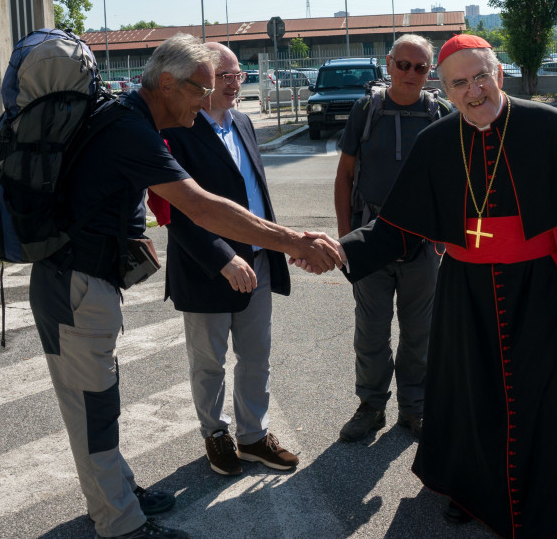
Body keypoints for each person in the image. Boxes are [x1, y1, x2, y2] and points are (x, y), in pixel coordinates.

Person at [30, 34, 341, 539]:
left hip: (88, 283)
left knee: (100, 403)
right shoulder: (131, 128)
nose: (207, 98)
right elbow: (200, 207)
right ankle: (121, 524)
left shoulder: (131, 118)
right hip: (75, 286)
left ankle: (121, 493)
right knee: (93, 410)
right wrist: (293, 242)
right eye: (201, 88)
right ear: (168, 83)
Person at [335, 34, 557, 538]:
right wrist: (339, 250)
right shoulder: (436, 142)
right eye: (459, 83)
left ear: (499, 73)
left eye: (481, 77)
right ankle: (471, 494)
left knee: (539, 395)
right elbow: (398, 228)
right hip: (464, 289)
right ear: (445, 90)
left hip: (537, 288)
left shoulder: (548, 126)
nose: (474, 91)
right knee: (470, 395)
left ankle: (541, 501)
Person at [161, 42, 298, 476]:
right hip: (207, 267)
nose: (235, 84)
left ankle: (254, 436)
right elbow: (175, 213)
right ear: (199, 81)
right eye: (226, 77)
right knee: (209, 361)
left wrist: (274, 245)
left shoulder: (242, 121)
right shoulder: (176, 129)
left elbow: (255, 193)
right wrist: (221, 256)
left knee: (257, 354)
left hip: (256, 261)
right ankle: (215, 434)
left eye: (239, 75)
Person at [333, 34, 450, 442]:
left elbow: (458, 182)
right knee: (371, 332)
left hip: (422, 245)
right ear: (389, 64)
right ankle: (371, 406)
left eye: (420, 67)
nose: (410, 74)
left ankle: (414, 408)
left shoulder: (441, 114)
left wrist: (444, 237)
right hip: (372, 238)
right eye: (403, 65)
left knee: (421, 333)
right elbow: (345, 176)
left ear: (430, 71)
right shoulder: (366, 110)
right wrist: (347, 239)